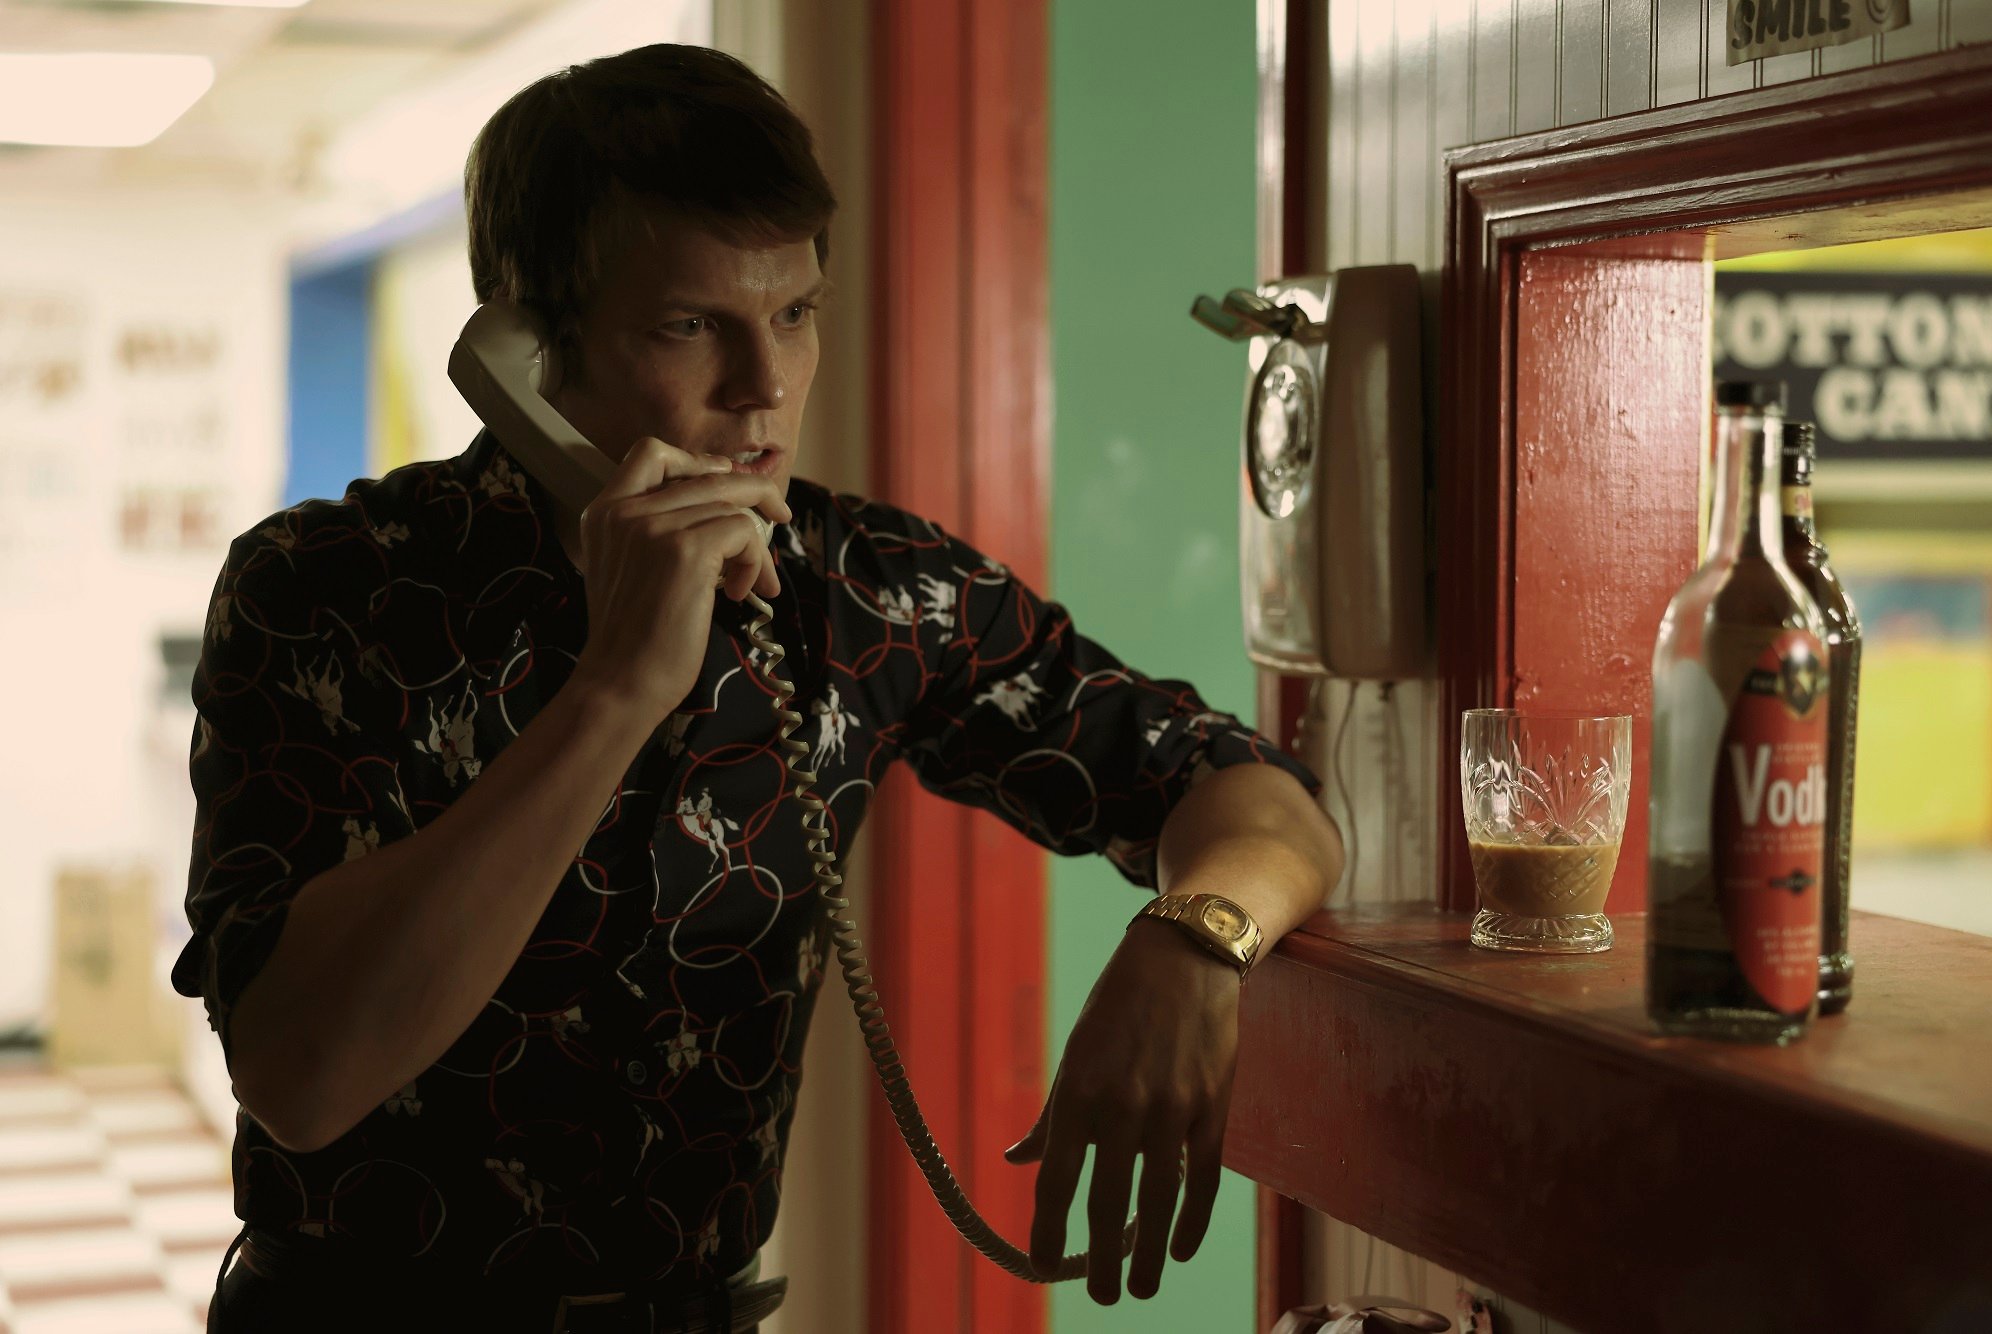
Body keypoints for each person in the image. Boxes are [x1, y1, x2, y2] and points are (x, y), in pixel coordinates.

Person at [177, 42, 1342, 1334]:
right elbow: (299, 1071)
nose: (766, 386)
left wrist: (1196, 940)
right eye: (690, 325)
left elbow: (1252, 789)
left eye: (794, 313)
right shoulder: (321, 588)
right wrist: (616, 690)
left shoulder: (862, 586)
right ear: (518, 340)